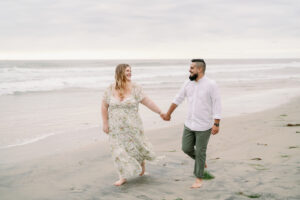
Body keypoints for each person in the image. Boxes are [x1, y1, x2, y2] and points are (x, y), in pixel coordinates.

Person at [161, 59, 221, 188]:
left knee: (200, 152)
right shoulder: (188, 83)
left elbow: (217, 104)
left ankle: (199, 177)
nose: (189, 70)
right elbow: (178, 98)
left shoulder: (211, 84)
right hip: (189, 124)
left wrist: (216, 123)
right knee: (186, 148)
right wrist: (168, 113)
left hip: (204, 126)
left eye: (192, 67)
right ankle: (201, 161)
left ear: (200, 69)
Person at [101, 63, 164, 186]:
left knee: (137, 147)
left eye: (130, 71)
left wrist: (160, 112)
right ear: (120, 73)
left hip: (133, 126)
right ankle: (122, 176)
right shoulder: (110, 88)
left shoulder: (136, 88)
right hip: (115, 127)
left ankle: (142, 166)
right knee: (118, 151)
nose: (130, 73)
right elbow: (104, 106)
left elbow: (148, 102)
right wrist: (105, 123)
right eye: (127, 71)